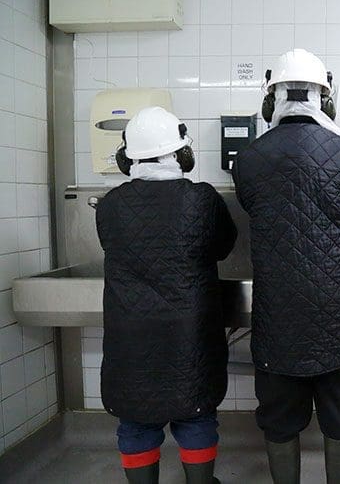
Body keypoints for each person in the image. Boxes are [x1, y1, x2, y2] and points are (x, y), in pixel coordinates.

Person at [233, 49, 340, 484]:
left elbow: (252, 209)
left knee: (278, 420)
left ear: (270, 100)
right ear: (326, 100)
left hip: (280, 322)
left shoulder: (249, 160)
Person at [96, 106, 238, 484]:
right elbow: (225, 245)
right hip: (189, 332)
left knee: (136, 419)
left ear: (129, 158)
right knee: (195, 414)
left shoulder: (108, 206)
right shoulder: (203, 200)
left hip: (130, 335)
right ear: (182, 154)